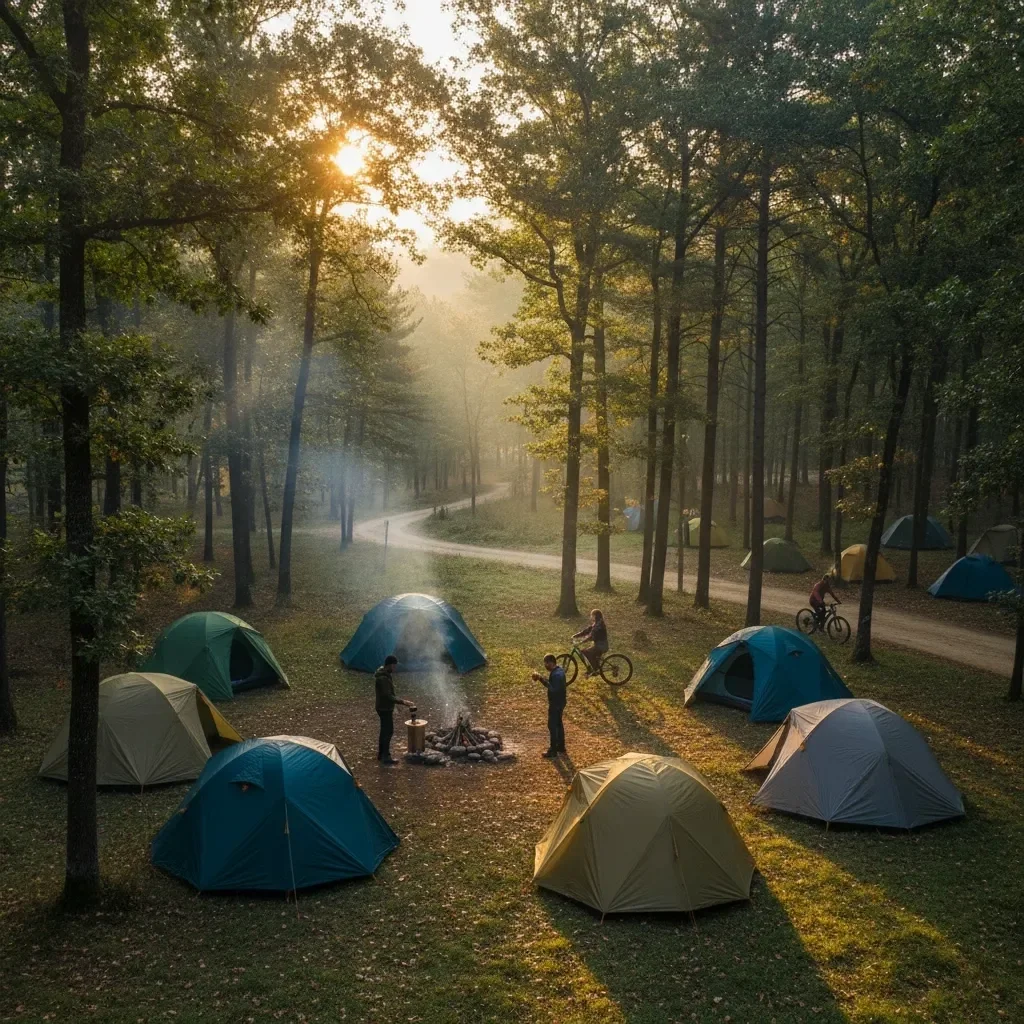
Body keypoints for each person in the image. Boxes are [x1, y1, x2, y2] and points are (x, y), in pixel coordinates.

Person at [375, 655, 413, 764]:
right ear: (390, 665)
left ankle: (381, 754)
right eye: (394, 666)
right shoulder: (383, 678)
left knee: (384, 731)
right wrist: (404, 702)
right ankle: (386, 757)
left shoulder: (385, 675)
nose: (395, 668)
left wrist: (396, 706)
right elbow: (388, 696)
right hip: (384, 708)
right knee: (388, 731)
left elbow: (389, 694)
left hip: (384, 707)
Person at [531, 654, 568, 758]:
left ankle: (553, 750)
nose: (545, 665)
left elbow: (552, 688)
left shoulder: (556, 675)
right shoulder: (559, 670)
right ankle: (561, 746)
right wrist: (543, 678)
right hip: (561, 702)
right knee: (558, 724)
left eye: (546, 663)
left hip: (555, 703)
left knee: (552, 726)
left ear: (551, 662)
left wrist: (541, 679)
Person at [573, 609, 608, 676]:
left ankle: (594, 669)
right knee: (585, 652)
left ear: (595, 616)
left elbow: (592, 636)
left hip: (601, 646)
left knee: (585, 652)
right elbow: (587, 630)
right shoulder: (597, 624)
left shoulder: (599, 625)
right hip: (599, 645)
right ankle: (593, 669)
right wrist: (576, 635)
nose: (591, 617)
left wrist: (582, 642)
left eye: (592, 615)